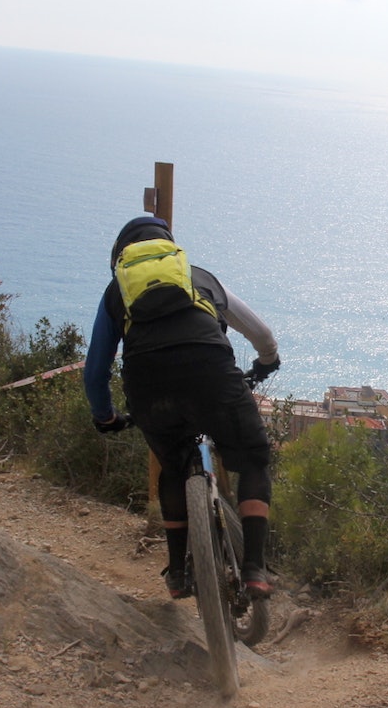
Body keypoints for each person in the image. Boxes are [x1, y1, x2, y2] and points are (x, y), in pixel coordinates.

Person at [83, 216, 281, 599]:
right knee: (253, 459)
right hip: (212, 375)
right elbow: (261, 333)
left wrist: (106, 416)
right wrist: (266, 361)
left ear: (121, 258)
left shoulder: (116, 293)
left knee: (173, 466)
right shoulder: (199, 277)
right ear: (169, 248)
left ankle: (177, 573)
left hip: (148, 387)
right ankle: (255, 569)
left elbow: (95, 371)